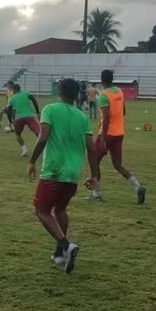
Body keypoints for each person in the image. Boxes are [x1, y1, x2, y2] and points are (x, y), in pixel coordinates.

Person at [26, 78, 99, 274]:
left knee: (42, 211)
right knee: (60, 209)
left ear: (59, 92)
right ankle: (59, 253)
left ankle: (66, 246)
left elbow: (43, 137)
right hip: (72, 173)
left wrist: (32, 161)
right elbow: (92, 148)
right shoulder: (82, 117)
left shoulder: (50, 109)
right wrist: (94, 175)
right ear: (77, 95)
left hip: (53, 170)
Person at [89, 69, 146, 204]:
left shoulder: (103, 96)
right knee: (118, 164)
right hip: (119, 133)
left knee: (94, 162)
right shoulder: (119, 91)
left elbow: (106, 118)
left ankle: (96, 194)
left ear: (101, 80)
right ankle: (138, 186)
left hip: (107, 134)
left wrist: (103, 139)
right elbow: (123, 111)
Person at [9, 83, 41, 156]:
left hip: (19, 118)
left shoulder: (12, 99)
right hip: (29, 117)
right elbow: (34, 100)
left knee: (17, 134)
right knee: (38, 132)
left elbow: (10, 111)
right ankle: (44, 148)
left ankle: (24, 150)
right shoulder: (26, 93)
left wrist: (11, 121)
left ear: (14, 90)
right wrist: (38, 113)